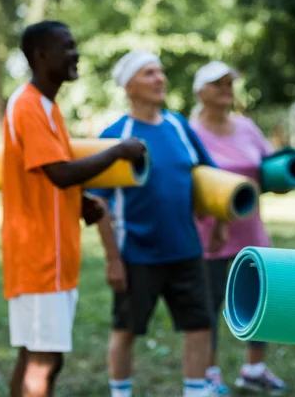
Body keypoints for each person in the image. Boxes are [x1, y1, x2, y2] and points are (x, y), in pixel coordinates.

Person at [3, 21, 146, 397]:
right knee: (42, 360)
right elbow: (61, 174)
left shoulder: (48, 107)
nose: (75, 53)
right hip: (39, 257)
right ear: (40, 55)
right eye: (67, 46)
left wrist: (79, 203)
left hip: (51, 256)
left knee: (40, 356)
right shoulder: (29, 106)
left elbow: (43, 176)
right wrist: (117, 149)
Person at [89, 51, 226, 397]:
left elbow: (205, 177)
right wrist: (111, 258)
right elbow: (98, 202)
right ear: (129, 86)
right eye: (149, 73)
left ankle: (195, 391)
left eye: (161, 72)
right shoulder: (116, 134)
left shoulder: (180, 126)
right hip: (135, 254)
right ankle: (120, 393)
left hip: (186, 250)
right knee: (126, 330)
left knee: (200, 326)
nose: (160, 79)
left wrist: (220, 222)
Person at [191, 61, 288, 396]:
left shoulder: (246, 127)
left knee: (260, 298)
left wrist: (284, 176)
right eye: (218, 84)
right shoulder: (191, 131)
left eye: (229, 84)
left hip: (250, 233)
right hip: (209, 236)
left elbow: (267, 168)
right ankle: (210, 373)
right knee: (210, 303)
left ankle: (254, 368)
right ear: (200, 91)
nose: (226, 90)